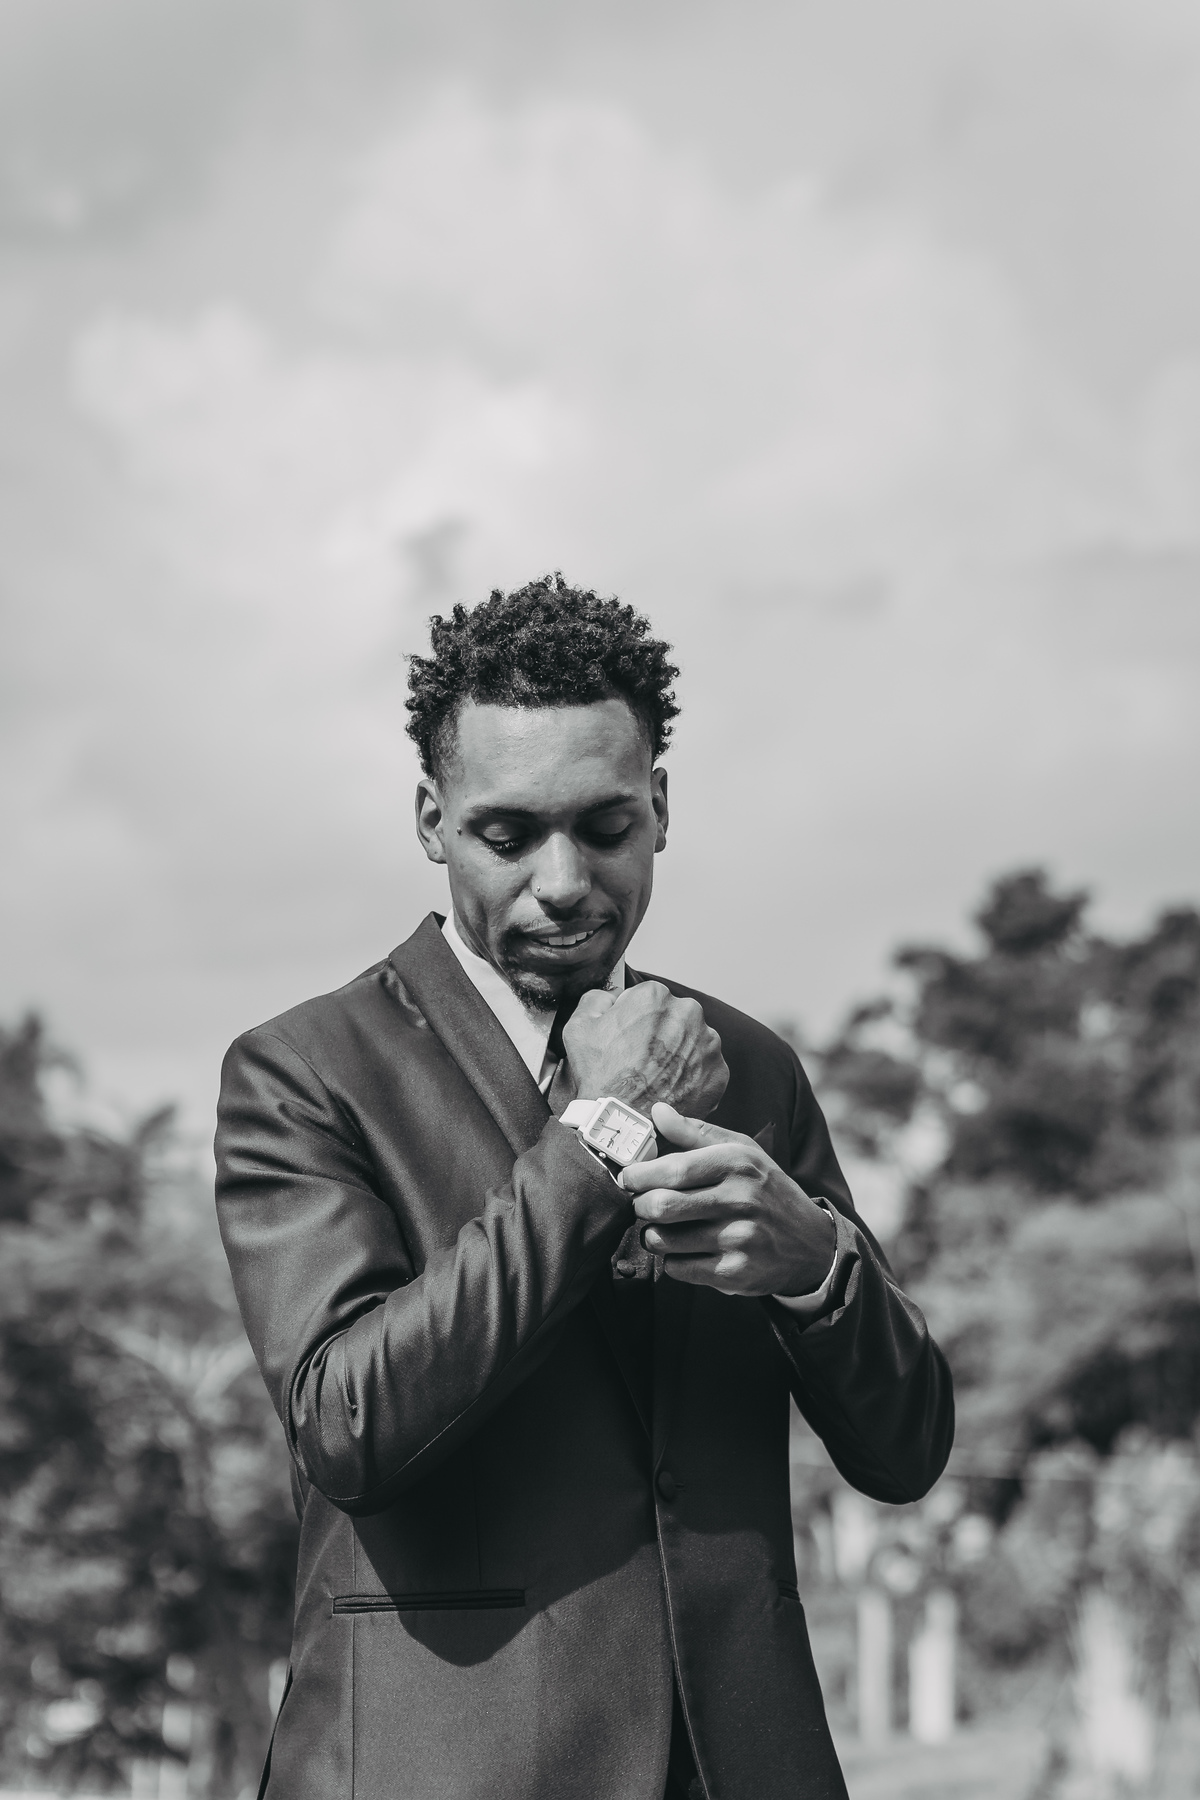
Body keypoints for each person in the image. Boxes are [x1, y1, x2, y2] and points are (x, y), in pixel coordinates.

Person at [215, 574, 954, 1800]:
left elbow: (907, 1449)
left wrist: (817, 1269)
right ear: (432, 820)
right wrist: (599, 1135)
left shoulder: (753, 1066)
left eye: (606, 827)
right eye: (508, 836)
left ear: (660, 808)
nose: (562, 879)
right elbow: (351, 1429)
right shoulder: (305, 1072)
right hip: (439, 1767)